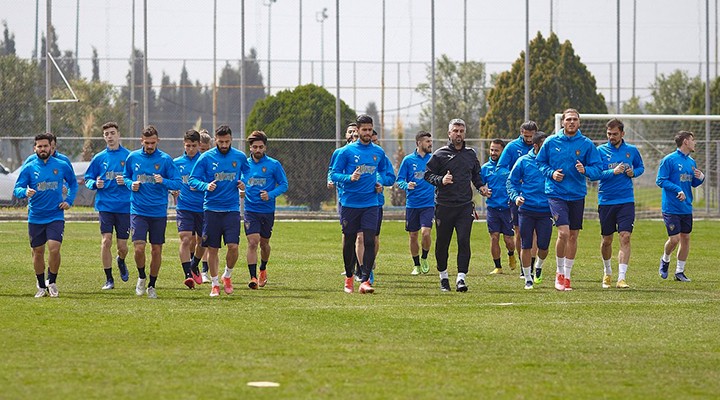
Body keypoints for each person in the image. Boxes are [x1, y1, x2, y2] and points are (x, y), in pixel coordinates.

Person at [536, 108, 603, 291]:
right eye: (568, 119)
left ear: (579, 122)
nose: (571, 122)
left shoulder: (587, 144)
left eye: (574, 119)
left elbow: (598, 169)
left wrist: (586, 170)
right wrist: (551, 173)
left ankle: (567, 275)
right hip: (556, 193)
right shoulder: (551, 141)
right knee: (563, 233)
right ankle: (559, 273)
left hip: (577, 194)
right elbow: (540, 162)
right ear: (562, 122)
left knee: (573, 235)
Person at [330, 114, 392, 294]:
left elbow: (388, 174)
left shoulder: (378, 152)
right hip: (350, 204)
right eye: (364, 130)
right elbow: (334, 174)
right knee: (349, 241)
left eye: (369, 130)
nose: (367, 133)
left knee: (369, 240)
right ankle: (349, 277)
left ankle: (365, 280)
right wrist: (349, 178)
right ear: (357, 131)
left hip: (371, 203)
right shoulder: (346, 152)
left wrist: (381, 182)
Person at [424, 118, 487, 292]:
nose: (458, 134)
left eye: (461, 131)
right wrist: (441, 180)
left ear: (464, 133)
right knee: (442, 243)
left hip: (464, 206)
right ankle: (443, 277)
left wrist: (481, 187)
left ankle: (461, 278)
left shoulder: (470, 154)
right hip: (444, 206)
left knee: (463, 241)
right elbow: (428, 175)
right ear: (449, 133)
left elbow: (476, 175)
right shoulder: (440, 154)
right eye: (455, 131)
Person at [14, 133, 78, 297]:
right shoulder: (29, 167)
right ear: (35, 148)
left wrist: (69, 200)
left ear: (51, 147)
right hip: (36, 216)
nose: (43, 149)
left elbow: (73, 183)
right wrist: (25, 192)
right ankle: (41, 286)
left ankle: (52, 282)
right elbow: (17, 188)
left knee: (54, 249)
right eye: (39, 146)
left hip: (55, 215)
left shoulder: (61, 165)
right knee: (38, 251)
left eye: (45, 146)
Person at [189, 125, 249, 297]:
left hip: (232, 209)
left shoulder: (239, 156)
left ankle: (227, 276)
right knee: (213, 248)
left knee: (233, 247)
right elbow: (193, 179)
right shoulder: (206, 157)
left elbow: (247, 171)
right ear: (215, 140)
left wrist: (243, 182)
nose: (224, 145)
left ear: (231, 140)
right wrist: (205, 186)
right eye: (221, 141)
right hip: (211, 209)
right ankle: (215, 284)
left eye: (227, 141)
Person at [123, 125, 182, 299]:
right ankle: (141, 277)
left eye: (153, 143)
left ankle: (152, 285)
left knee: (156, 250)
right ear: (141, 141)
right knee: (139, 248)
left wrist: (164, 181)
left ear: (158, 141)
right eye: (147, 143)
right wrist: (130, 184)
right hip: (138, 210)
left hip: (158, 212)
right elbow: (125, 177)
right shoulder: (133, 157)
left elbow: (178, 182)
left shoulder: (165, 160)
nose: (150, 146)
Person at [594, 119, 644, 289]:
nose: (611, 137)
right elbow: (595, 174)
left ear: (622, 133)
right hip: (606, 201)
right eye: (609, 134)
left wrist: (633, 173)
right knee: (607, 240)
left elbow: (640, 167)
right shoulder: (600, 151)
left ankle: (621, 278)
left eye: (615, 134)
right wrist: (612, 172)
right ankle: (607, 271)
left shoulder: (632, 150)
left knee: (625, 236)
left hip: (626, 200)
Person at [84, 122, 132, 290]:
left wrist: (126, 181)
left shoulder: (129, 157)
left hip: (125, 207)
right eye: (106, 134)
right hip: (105, 206)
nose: (110, 136)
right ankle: (109, 279)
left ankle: (121, 260)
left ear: (119, 135)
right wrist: (94, 183)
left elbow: (136, 178)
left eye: (112, 133)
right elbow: (88, 178)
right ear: (103, 137)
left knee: (122, 247)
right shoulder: (99, 158)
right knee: (106, 241)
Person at [656, 130, 705, 282]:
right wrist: (677, 189)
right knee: (674, 239)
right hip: (671, 207)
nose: (694, 143)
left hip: (686, 207)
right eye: (692, 140)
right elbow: (660, 180)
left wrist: (701, 178)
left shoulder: (691, 162)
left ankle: (679, 272)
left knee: (685, 238)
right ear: (685, 141)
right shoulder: (669, 160)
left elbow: (693, 183)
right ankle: (665, 259)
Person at [242, 131, 288, 289]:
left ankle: (262, 268)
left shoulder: (274, 164)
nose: (258, 150)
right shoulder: (244, 165)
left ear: (265, 147)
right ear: (250, 148)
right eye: (255, 147)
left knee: (264, 244)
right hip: (250, 209)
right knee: (252, 242)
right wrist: (240, 189)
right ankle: (253, 277)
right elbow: (239, 182)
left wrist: (270, 194)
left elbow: (284, 184)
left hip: (267, 210)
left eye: (260, 147)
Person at [507, 132, 552, 289]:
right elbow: (511, 182)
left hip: (546, 210)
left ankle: (538, 266)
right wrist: (516, 197)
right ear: (536, 146)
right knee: (526, 244)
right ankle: (527, 278)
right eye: (544, 145)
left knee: (544, 246)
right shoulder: (523, 161)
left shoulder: (552, 162)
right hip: (526, 209)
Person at [498, 121, 538, 278]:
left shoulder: (541, 146)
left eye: (531, 136)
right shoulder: (512, 147)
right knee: (519, 231)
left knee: (535, 232)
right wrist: (515, 175)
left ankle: (531, 266)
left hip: (536, 195)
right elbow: (501, 167)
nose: (529, 139)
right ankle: (523, 265)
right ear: (521, 132)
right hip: (517, 196)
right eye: (526, 136)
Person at [396, 131, 434, 275]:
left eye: (430, 141)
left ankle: (424, 258)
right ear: (419, 143)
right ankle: (416, 264)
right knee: (413, 235)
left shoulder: (433, 159)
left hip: (429, 204)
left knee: (426, 233)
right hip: (412, 204)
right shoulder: (408, 160)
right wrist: (407, 185)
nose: (430, 144)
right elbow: (399, 180)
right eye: (427, 141)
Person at [173, 129, 206, 289]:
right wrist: (173, 189)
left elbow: (212, 182)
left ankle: (194, 265)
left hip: (204, 207)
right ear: (184, 145)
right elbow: (171, 181)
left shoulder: (205, 161)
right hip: (184, 207)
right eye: (188, 146)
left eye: (194, 145)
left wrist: (201, 186)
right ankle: (188, 275)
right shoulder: (176, 163)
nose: (191, 149)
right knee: (185, 239)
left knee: (203, 241)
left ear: (199, 145)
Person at [481, 139, 517, 275]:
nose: (493, 153)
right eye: (491, 150)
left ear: (503, 151)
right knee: (494, 236)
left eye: (496, 150)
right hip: (492, 208)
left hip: (507, 209)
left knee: (508, 239)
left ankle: (511, 253)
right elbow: (480, 185)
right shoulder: (485, 168)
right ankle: (498, 267)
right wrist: (483, 190)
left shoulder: (509, 167)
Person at [370, 129, 397, 284]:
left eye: (376, 141)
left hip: (376, 203)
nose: (374, 144)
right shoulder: (355, 155)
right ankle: (359, 264)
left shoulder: (382, 157)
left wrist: (381, 181)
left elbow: (391, 178)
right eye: (371, 141)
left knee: (373, 237)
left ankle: (369, 261)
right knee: (358, 236)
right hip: (356, 202)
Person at [197, 129, 213, 282]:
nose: (203, 153)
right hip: (192, 206)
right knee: (192, 240)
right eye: (201, 150)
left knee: (205, 239)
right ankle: (192, 266)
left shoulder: (212, 162)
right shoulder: (192, 162)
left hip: (208, 205)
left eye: (206, 150)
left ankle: (204, 271)